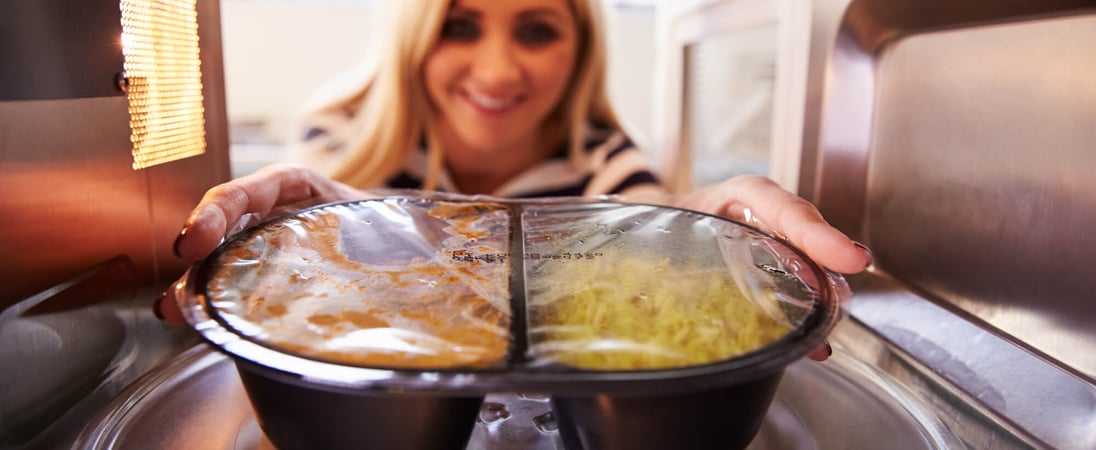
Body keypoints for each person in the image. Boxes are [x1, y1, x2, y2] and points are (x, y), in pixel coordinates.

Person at [154, 0, 872, 362]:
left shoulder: (607, 161)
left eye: (535, 30)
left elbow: (648, 222)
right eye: (462, 26)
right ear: (415, 37)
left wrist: (700, 234)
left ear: (580, 50)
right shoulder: (334, 142)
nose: (497, 71)